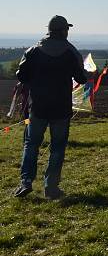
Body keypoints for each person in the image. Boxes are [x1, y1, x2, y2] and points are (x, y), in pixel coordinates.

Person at [13, 16, 87, 199]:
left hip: (37, 107)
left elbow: (21, 74)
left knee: (31, 144)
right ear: (63, 31)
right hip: (61, 109)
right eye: (66, 29)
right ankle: (51, 187)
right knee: (57, 147)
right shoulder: (71, 52)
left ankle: (26, 182)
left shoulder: (33, 50)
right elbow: (82, 78)